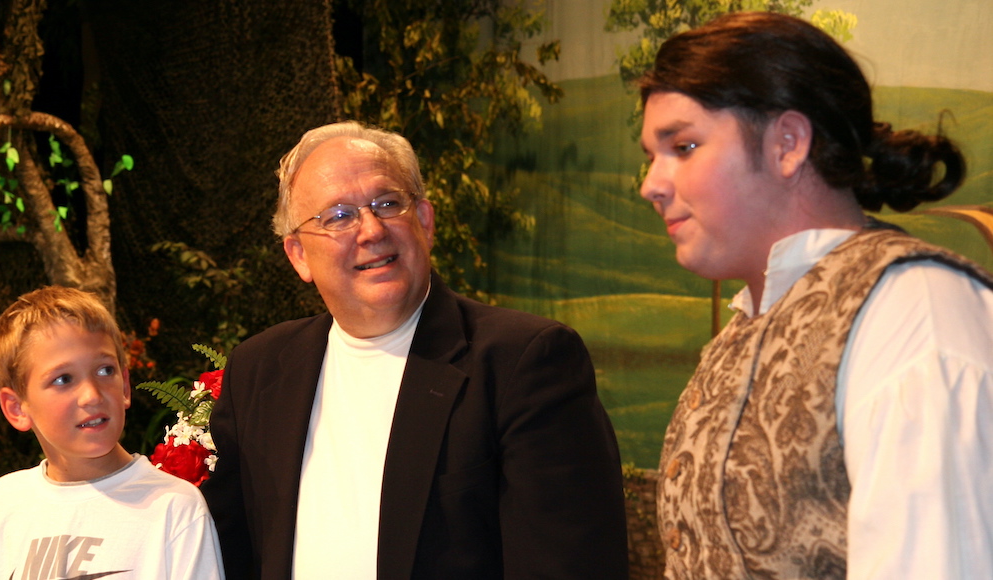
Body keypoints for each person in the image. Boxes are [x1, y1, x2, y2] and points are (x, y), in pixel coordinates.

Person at [638, 11, 993, 579]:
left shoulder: (913, 312)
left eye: (683, 146)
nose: (650, 185)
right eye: (650, 156)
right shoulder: (744, 331)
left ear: (787, 143)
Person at [199, 121, 628, 579]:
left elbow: (570, 565)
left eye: (387, 204)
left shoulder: (523, 363)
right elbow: (228, 553)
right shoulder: (260, 370)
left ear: (424, 220)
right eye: (338, 216)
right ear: (299, 255)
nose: (370, 230)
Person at [0, 286, 225, 580]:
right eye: (63, 379)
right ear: (16, 408)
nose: (91, 395)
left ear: (125, 386)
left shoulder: (174, 508)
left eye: (104, 371)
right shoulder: (3, 504)